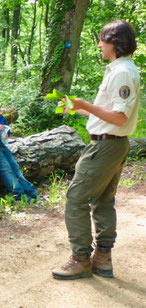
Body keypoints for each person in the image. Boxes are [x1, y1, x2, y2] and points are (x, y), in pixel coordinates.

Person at [52, 20, 140, 280]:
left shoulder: (123, 72)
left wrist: (86, 105)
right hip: (110, 143)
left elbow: (119, 118)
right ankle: (102, 258)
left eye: (102, 40)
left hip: (106, 145)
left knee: (76, 199)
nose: (99, 45)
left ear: (115, 43)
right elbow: (106, 112)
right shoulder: (118, 69)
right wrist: (77, 107)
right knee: (103, 201)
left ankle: (81, 259)